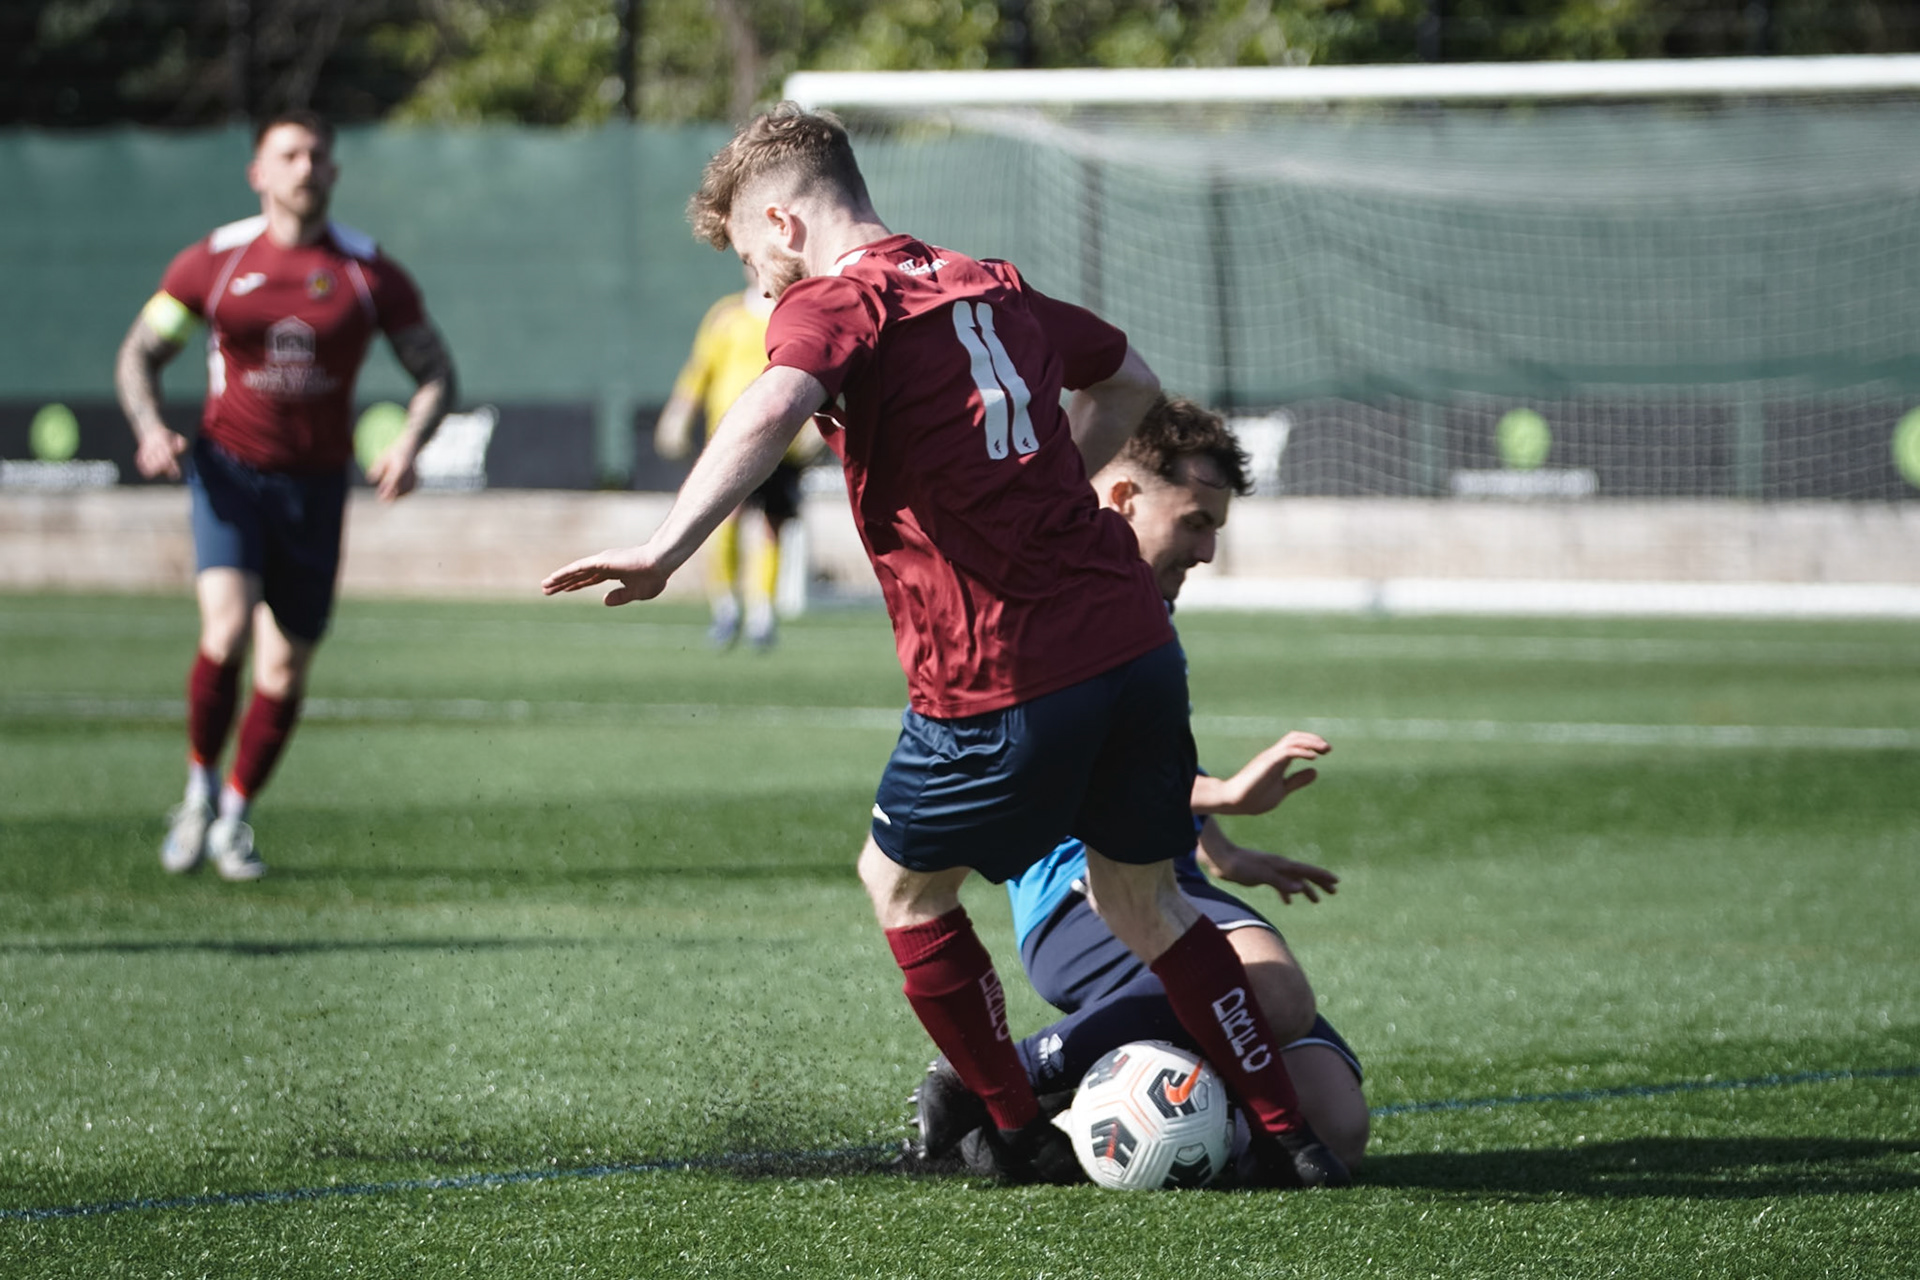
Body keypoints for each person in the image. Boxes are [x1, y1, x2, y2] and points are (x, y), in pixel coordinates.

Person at [541, 103, 1348, 1189]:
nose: (760, 287)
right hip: (1134, 644)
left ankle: (1011, 1126)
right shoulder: (991, 283)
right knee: (1146, 902)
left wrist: (664, 546)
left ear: (783, 222)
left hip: (999, 666)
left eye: (748, 259)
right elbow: (1133, 381)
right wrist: (1046, 488)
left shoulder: (837, 299)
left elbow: (776, 400)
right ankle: (1292, 1142)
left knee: (899, 884)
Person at [905, 397, 1369, 1179]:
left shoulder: (1140, 608)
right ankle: (997, 1079)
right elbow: (1069, 769)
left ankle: (1075, 1119)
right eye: (1195, 522)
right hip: (1083, 891)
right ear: (1123, 498)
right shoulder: (1049, 606)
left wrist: (1222, 849)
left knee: (1336, 1121)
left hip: (1171, 883)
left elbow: (1145, 752)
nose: (1208, 551)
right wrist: (1220, 794)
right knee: (1277, 994)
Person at [115, 109, 455, 881]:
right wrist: (148, 426)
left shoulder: (369, 273)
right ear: (258, 174)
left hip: (317, 488)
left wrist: (409, 441)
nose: (305, 167)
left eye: (317, 155)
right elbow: (140, 352)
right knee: (227, 629)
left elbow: (436, 372)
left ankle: (234, 816)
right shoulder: (214, 262)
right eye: (290, 155)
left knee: (285, 672)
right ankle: (198, 793)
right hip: (229, 473)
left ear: (334, 171)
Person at [654, 265, 816, 649]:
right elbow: (699, 371)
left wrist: (814, 425)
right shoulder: (726, 315)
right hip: (730, 439)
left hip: (783, 442)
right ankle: (726, 607)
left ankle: (763, 613)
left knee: (772, 526)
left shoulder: (799, 316)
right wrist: (678, 414)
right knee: (725, 517)